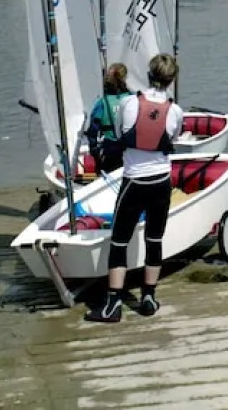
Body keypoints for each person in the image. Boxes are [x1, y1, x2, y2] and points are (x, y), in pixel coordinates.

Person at [85, 54, 183, 323]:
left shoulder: (130, 103)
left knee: (119, 241)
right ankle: (148, 298)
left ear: (149, 75)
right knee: (154, 239)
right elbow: (173, 138)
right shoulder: (175, 111)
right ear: (171, 80)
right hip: (161, 181)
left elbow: (120, 135)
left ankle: (113, 306)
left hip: (134, 181)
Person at [82, 63, 133, 174]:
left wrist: (95, 153)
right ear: (125, 78)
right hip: (131, 152)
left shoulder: (102, 103)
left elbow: (92, 131)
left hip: (111, 151)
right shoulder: (133, 98)